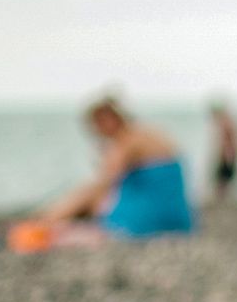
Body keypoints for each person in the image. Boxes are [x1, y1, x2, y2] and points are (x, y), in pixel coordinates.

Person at [40, 97, 193, 236]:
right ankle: (50, 218)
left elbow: (105, 181)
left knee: (89, 193)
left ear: (110, 119)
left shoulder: (127, 141)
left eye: (96, 124)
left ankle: (46, 221)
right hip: (178, 216)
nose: (96, 131)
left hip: (147, 218)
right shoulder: (148, 132)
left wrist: (104, 157)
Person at [209, 100, 237, 202]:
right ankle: (224, 200)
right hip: (227, 156)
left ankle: (223, 201)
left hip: (227, 156)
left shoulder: (226, 124)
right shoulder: (226, 123)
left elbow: (229, 143)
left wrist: (229, 157)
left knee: (222, 182)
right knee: (223, 183)